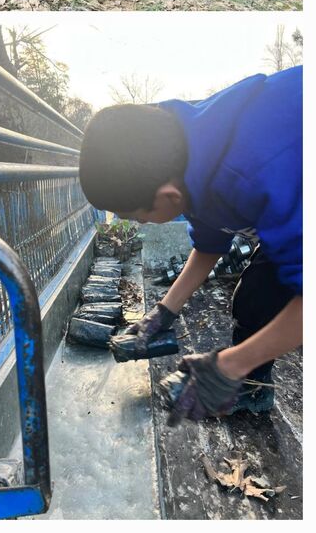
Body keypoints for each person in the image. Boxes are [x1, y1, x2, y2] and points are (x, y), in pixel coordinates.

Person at [78, 66, 301, 423]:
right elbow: (212, 240)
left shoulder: (258, 166)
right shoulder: (186, 158)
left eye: (136, 216)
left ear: (168, 196)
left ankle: (249, 381)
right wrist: (164, 312)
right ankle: (255, 388)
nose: (138, 224)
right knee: (255, 297)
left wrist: (228, 367)